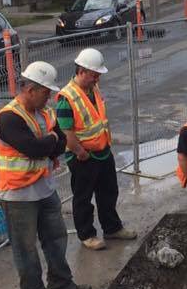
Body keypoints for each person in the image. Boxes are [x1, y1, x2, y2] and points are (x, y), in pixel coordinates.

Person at [0, 61, 91, 289]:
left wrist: (50, 141)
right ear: (30, 90)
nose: (49, 97)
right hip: (18, 195)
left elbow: (60, 143)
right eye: (45, 92)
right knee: (25, 248)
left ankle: (60, 284)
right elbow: (35, 148)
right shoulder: (8, 118)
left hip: (45, 189)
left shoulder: (45, 113)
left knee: (56, 238)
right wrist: (51, 140)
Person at [57, 48, 136, 251]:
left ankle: (112, 228)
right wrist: (79, 152)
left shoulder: (93, 89)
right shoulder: (67, 97)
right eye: (94, 75)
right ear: (82, 71)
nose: (97, 78)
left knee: (108, 192)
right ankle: (87, 235)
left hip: (102, 151)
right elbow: (67, 131)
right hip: (83, 156)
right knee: (83, 198)